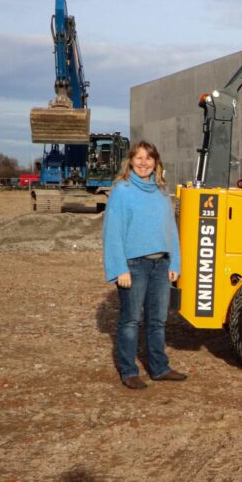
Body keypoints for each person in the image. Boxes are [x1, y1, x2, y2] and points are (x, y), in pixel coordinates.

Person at [103, 141, 187, 390]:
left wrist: (175, 261)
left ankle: (159, 368)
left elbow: (170, 229)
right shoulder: (122, 190)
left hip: (161, 265)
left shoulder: (161, 191)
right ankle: (129, 371)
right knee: (130, 321)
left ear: (156, 162)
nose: (143, 163)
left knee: (158, 320)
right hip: (134, 265)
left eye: (148, 158)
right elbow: (112, 232)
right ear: (130, 161)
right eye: (138, 158)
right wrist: (119, 268)